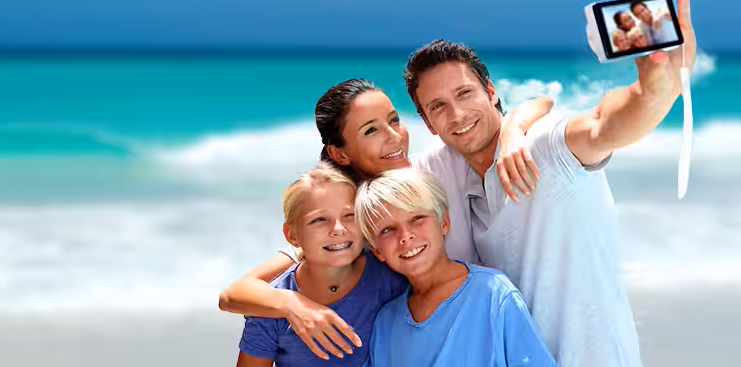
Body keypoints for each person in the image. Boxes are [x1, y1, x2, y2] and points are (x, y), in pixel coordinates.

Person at [400, 0, 696, 367]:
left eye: (465, 93)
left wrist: (656, 86)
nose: (457, 115)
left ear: (491, 91)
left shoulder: (543, 143)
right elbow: (367, 191)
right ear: (427, 123)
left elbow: (603, 123)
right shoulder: (441, 168)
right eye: (438, 107)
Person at [217, 79, 552, 360]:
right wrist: (294, 304)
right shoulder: (340, 227)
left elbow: (542, 102)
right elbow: (235, 293)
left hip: (481, 318)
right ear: (340, 153)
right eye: (371, 130)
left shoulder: (433, 167)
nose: (394, 137)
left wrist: (512, 131)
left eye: (394, 120)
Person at [355, 168, 555, 367]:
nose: (405, 236)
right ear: (377, 250)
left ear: (444, 222)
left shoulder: (494, 294)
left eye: (417, 218)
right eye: (387, 230)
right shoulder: (385, 323)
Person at [236, 163, 412, 367]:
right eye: (319, 220)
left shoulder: (393, 276)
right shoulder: (271, 307)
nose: (338, 229)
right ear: (292, 235)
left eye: (350, 216)